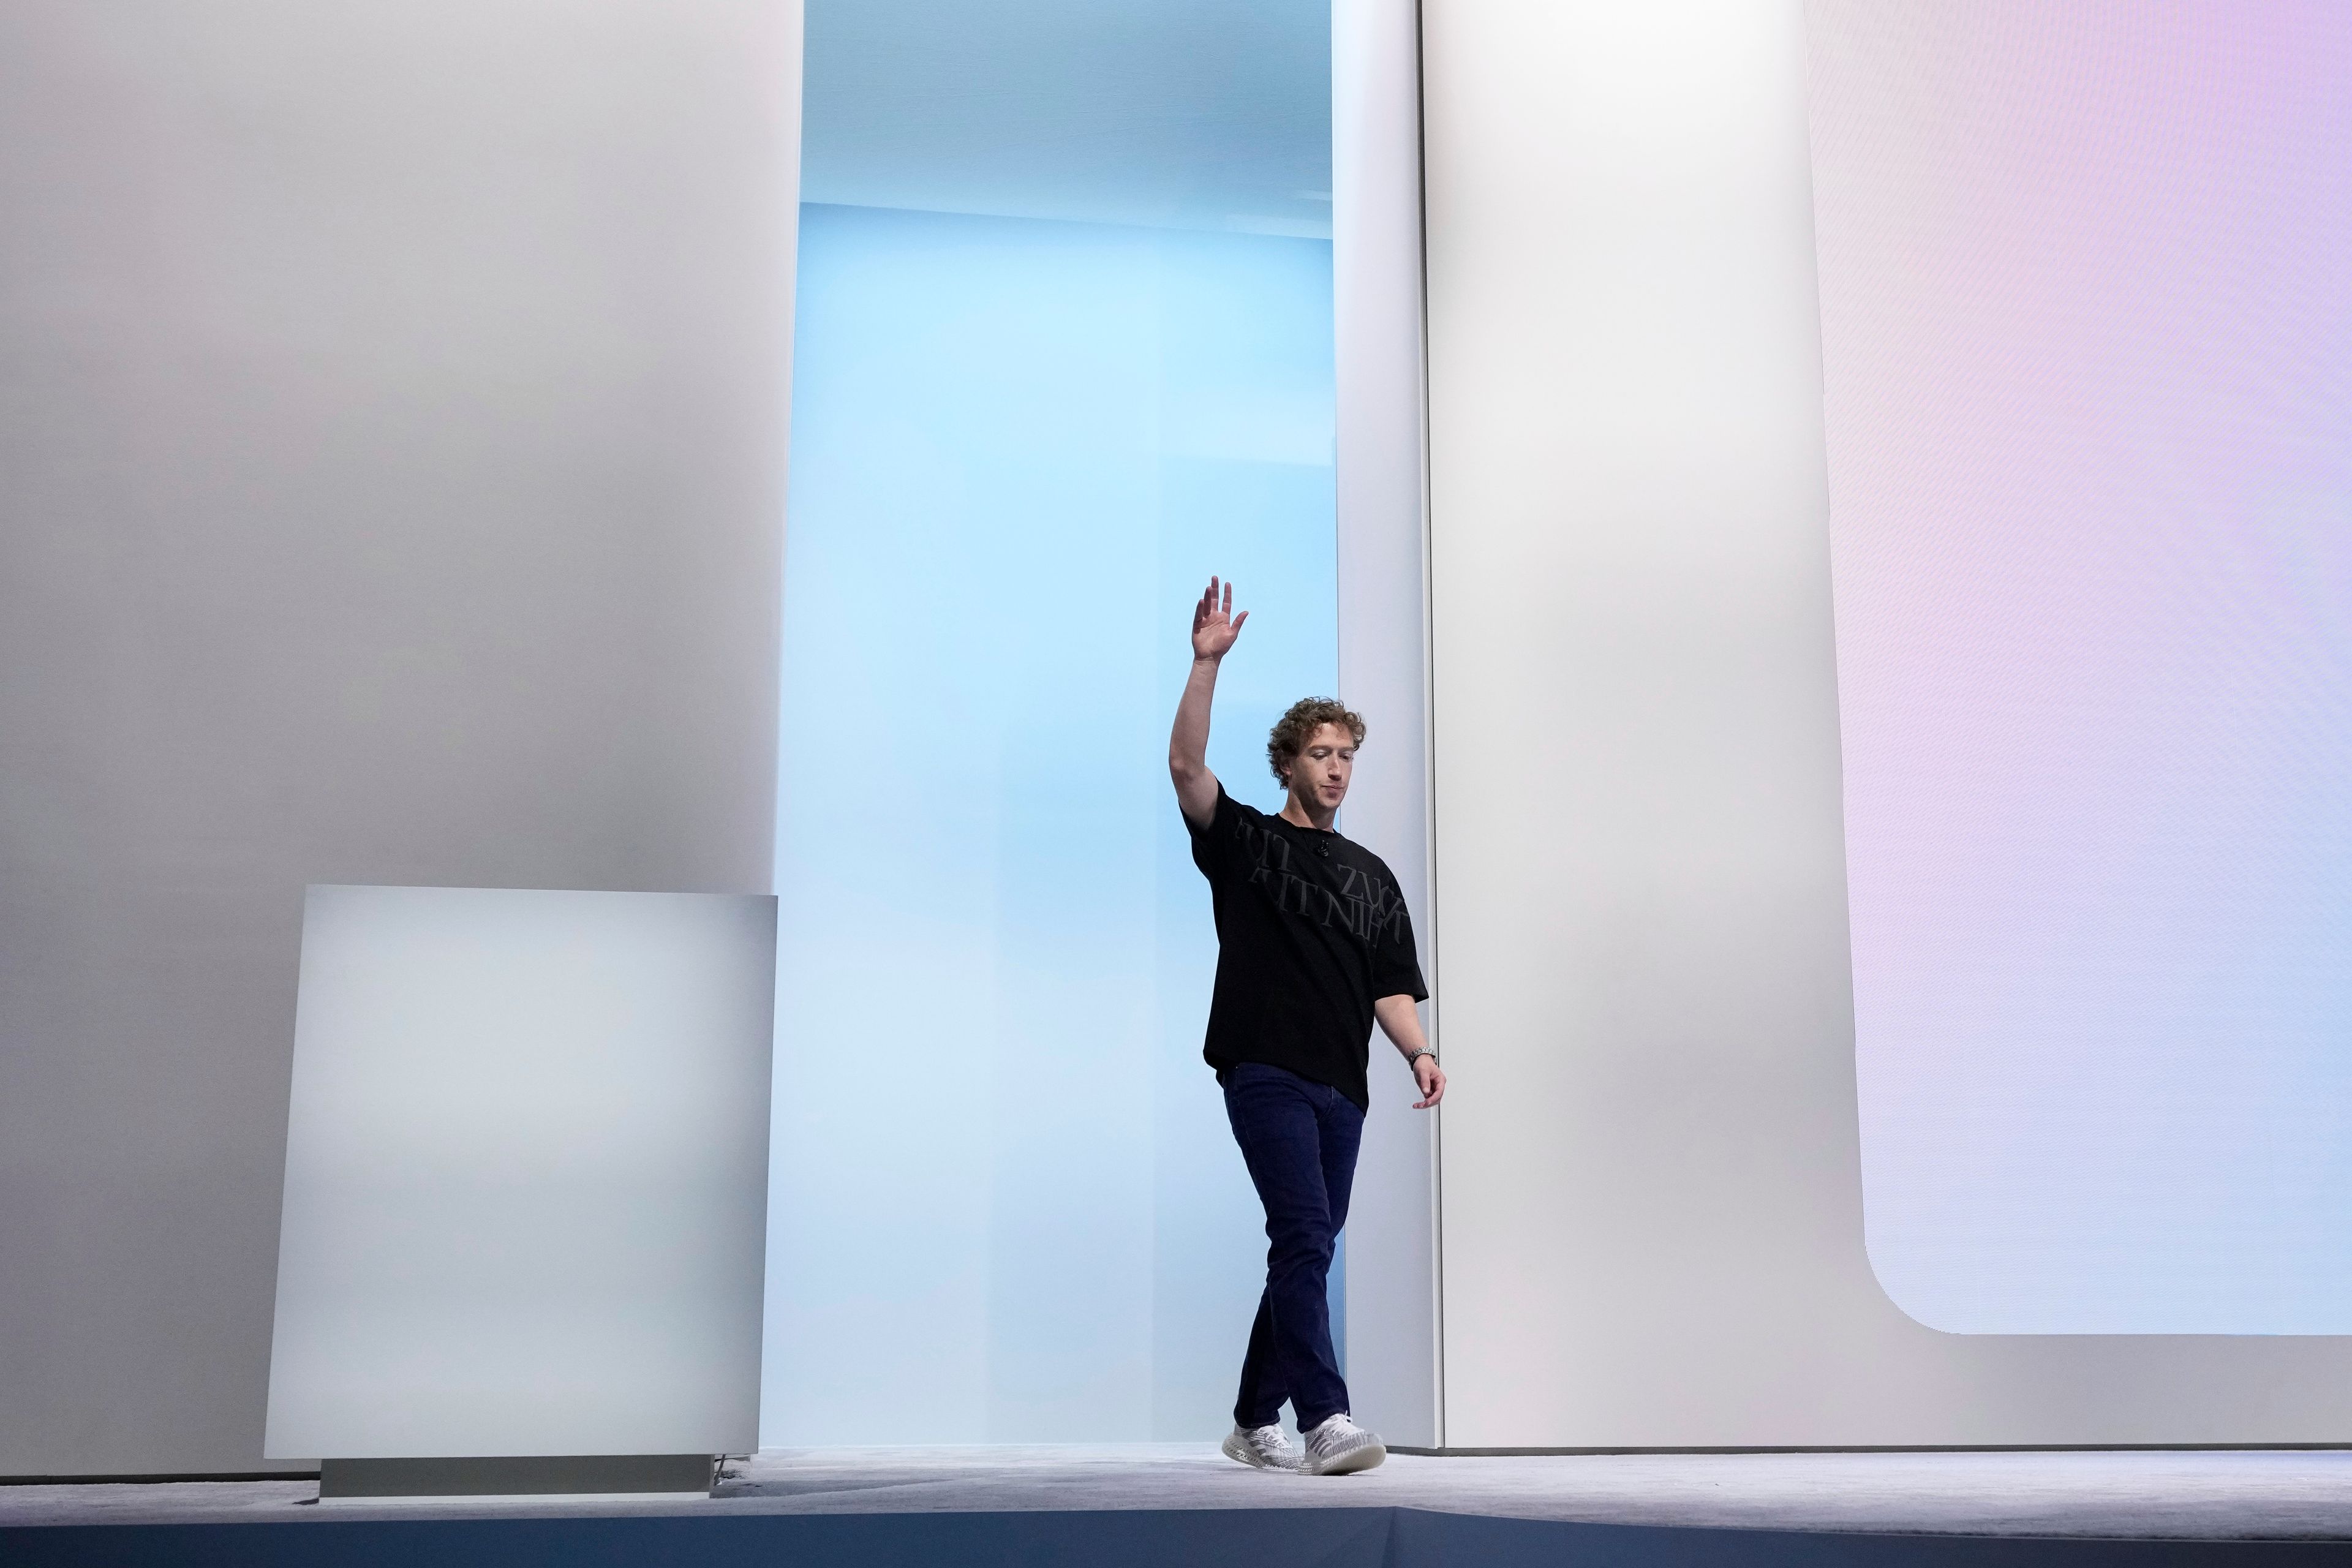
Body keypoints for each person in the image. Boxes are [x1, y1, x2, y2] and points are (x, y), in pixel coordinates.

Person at [1168, 575, 1445, 1477]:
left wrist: (1420, 1052)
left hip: (1343, 1088)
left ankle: (1254, 1421)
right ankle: (1325, 1416)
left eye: (1347, 755)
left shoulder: (1371, 876)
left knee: (1310, 1244)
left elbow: (1390, 984)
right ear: (1287, 763)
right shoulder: (1247, 843)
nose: (1336, 767)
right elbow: (1185, 770)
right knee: (1302, 1237)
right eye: (1320, 752)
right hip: (1265, 1072)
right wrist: (1206, 665)